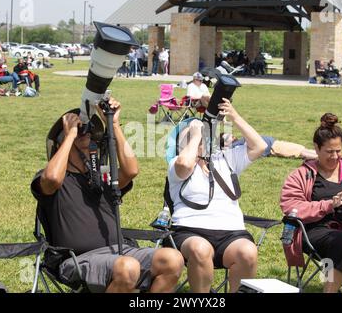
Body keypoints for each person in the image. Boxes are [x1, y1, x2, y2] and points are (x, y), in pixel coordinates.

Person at [30, 99, 184, 293]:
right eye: (79, 133)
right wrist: (69, 136)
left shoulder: (101, 177)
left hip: (119, 252)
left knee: (173, 259)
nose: (84, 134)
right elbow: (51, 178)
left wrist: (113, 124)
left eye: (87, 133)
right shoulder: (53, 181)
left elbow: (131, 171)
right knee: (128, 267)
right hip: (76, 260)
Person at [163, 100, 267, 293]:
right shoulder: (177, 165)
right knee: (200, 249)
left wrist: (234, 116)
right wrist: (194, 134)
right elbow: (186, 163)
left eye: (204, 136)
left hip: (231, 232)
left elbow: (259, 146)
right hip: (189, 231)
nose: (201, 139)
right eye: (192, 137)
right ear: (180, 144)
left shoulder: (224, 159)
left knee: (248, 252)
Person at [280, 113, 342, 293]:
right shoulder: (302, 174)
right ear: (316, 148)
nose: (335, 156)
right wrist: (328, 205)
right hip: (316, 229)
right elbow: (290, 206)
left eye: (338, 151)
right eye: (329, 151)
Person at [221, 133, 318, 160]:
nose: (231, 135)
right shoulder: (234, 147)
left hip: (276, 143)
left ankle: (321, 154)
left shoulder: (239, 142)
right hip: (274, 147)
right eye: (227, 137)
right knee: (300, 152)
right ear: (225, 143)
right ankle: (319, 157)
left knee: (301, 149)